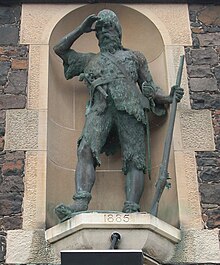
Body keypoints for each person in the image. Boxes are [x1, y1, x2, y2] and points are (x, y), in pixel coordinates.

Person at [54, 9, 184, 221]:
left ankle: (132, 207)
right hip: (100, 108)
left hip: (130, 109)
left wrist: (169, 97)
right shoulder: (89, 60)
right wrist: (81, 29)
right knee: (85, 149)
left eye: (109, 27)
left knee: (136, 159)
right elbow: (59, 49)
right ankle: (80, 202)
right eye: (101, 29)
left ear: (118, 32)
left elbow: (149, 88)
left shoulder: (134, 57)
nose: (105, 32)